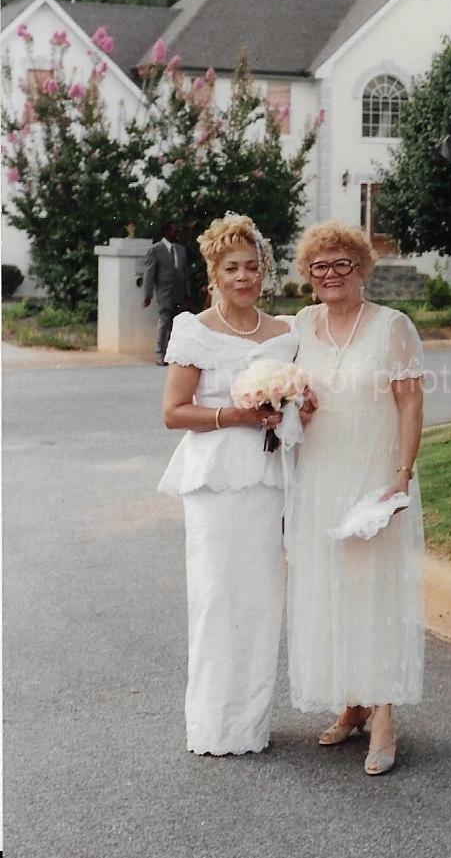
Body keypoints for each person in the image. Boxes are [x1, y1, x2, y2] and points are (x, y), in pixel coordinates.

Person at [158, 213, 301, 756]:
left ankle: (251, 725)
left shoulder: (286, 335)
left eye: (251, 267)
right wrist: (235, 417)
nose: (243, 277)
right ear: (213, 276)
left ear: (263, 270)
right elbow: (173, 412)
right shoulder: (193, 330)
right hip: (216, 481)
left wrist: (294, 405)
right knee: (218, 599)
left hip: (267, 479)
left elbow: (299, 407)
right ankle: (214, 726)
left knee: (263, 598)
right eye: (231, 268)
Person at [286, 221, 426, 776]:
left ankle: (385, 715)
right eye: (320, 267)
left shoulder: (393, 326)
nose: (331, 275)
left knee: (373, 592)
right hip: (320, 472)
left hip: (373, 473)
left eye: (343, 263)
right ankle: (350, 702)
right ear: (308, 276)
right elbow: (291, 395)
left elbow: (411, 403)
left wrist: (402, 472)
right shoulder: (299, 324)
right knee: (330, 588)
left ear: (362, 268)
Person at [143, 222, 190, 365]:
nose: (176, 232)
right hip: (164, 292)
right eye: (173, 230)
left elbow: (185, 273)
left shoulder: (181, 250)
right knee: (164, 321)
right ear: (166, 232)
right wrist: (148, 294)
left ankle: (172, 353)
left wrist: (187, 291)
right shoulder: (155, 250)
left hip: (179, 293)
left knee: (176, 324)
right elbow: (149, 273)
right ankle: (159, 353)